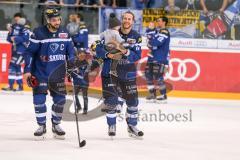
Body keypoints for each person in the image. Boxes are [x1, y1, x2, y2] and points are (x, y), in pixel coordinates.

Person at [23, 8, 75, 140]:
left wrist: (72, 68)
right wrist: (27, 71)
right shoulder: (38, 33)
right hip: (40, 73)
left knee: (60, 100)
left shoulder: (65, 33)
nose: (57, 22)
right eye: (53, 20)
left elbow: (71, 54)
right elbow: (29, 52)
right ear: (47, 20)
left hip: (57, 74)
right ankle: (41, 126)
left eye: (58, 19)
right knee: (39, 100)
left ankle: (56, 125)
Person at [95, 11, 144, 138]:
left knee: (133, 101)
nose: (127, 21)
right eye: (125, 18)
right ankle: (112, 125)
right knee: (111, 101)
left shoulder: (137, 36)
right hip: (111, 72)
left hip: (128, 73)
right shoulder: (110, 32)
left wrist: (125, 50)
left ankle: (132, 126)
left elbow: (137, 56)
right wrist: (107, 54)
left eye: (129, 19)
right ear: (121, 20)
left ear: (133, 21)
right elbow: (97, 49)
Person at [2, 13, 30, 91]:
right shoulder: (13, 28)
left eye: (18, 19)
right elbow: (8, 38)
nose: (16, 21)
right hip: (15, 50)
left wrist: (15, 38)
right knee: (17, 67)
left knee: (12, 65)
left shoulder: (25, 28)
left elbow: (25, 38)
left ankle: (10, 85)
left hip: (22, 51)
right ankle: (20, 86)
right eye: (15, 19)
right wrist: (11, 36)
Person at [145, 16, 170, 102]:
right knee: (148, 75)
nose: (157, 22)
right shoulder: (158, 32)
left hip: (159, 58)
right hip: (152, 56)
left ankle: (163, 95)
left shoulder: (165, 32)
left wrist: (151, 38)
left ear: (164, 22)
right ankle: (152, 94)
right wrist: (150, 31)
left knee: (158, 76)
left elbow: (156, 42)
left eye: (159, 21)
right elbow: (149, 43)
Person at [100, 13, 125, 77]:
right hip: (111, 49)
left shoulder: (106, 31)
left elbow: (100, 36)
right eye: (118, 26)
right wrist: (125, 40)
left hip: (105, 48)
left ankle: (104, 64)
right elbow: (121, 41)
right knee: (119, 53)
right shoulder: (115, 32)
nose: (119, 27)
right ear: (115, 26)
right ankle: (113, 69)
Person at [72, 48, 90, 115]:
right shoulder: (74, 62)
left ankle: (85, 109)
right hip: (76, 82)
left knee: (84, 96)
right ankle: (79, 107)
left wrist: (79, 71)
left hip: (84, 82)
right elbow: (72, 71)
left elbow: (86, 71)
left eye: (84, 54)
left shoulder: (86, 63)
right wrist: (72, 72)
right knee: (75, 95)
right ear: (78, 54)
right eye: (81, 54)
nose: (82, 55)